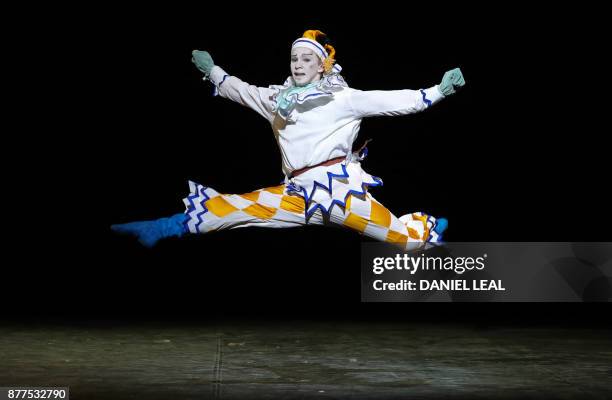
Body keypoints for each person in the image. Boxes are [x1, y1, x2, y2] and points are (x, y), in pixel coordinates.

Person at [111, 29, 465, 249]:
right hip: (296, 195)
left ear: (322, 65)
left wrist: (437, 91)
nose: (298, 64)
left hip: (338, 195)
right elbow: (241, 91)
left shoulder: (343, 98)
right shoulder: (277, 100)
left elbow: (393, 101)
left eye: (307, 58)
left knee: (403, 241)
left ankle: (429, 236)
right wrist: (214, 72)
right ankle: (161, 227)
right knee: (236, 207)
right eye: (294, 57)